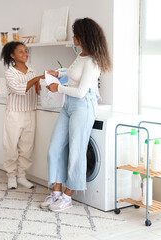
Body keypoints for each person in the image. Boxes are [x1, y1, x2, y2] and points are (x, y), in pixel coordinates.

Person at [41, 18, 112, 211]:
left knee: (76, 152)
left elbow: (81, 91)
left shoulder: (93, 62)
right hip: (69, 105)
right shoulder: (81, 55)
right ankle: (56, 193)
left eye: (75, 34)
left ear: (83, 37)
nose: (73, 37)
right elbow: (74, 73)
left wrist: (59, 87)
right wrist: (59, 73)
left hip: (83, 106)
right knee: (54, 148)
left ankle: (67, 196)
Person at [0, 41, 43, 189]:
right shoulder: (10, 73)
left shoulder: (32, 72)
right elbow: (19, 89)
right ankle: (11, 176)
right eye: (21, 51)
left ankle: (22, 176)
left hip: (30, 112)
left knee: (27, 148)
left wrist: (41, 84)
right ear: (12, 55)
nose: (25, 54)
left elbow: (36, 90)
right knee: (11, 146)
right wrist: (37, 79)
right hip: (14, 114)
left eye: (26, 51)